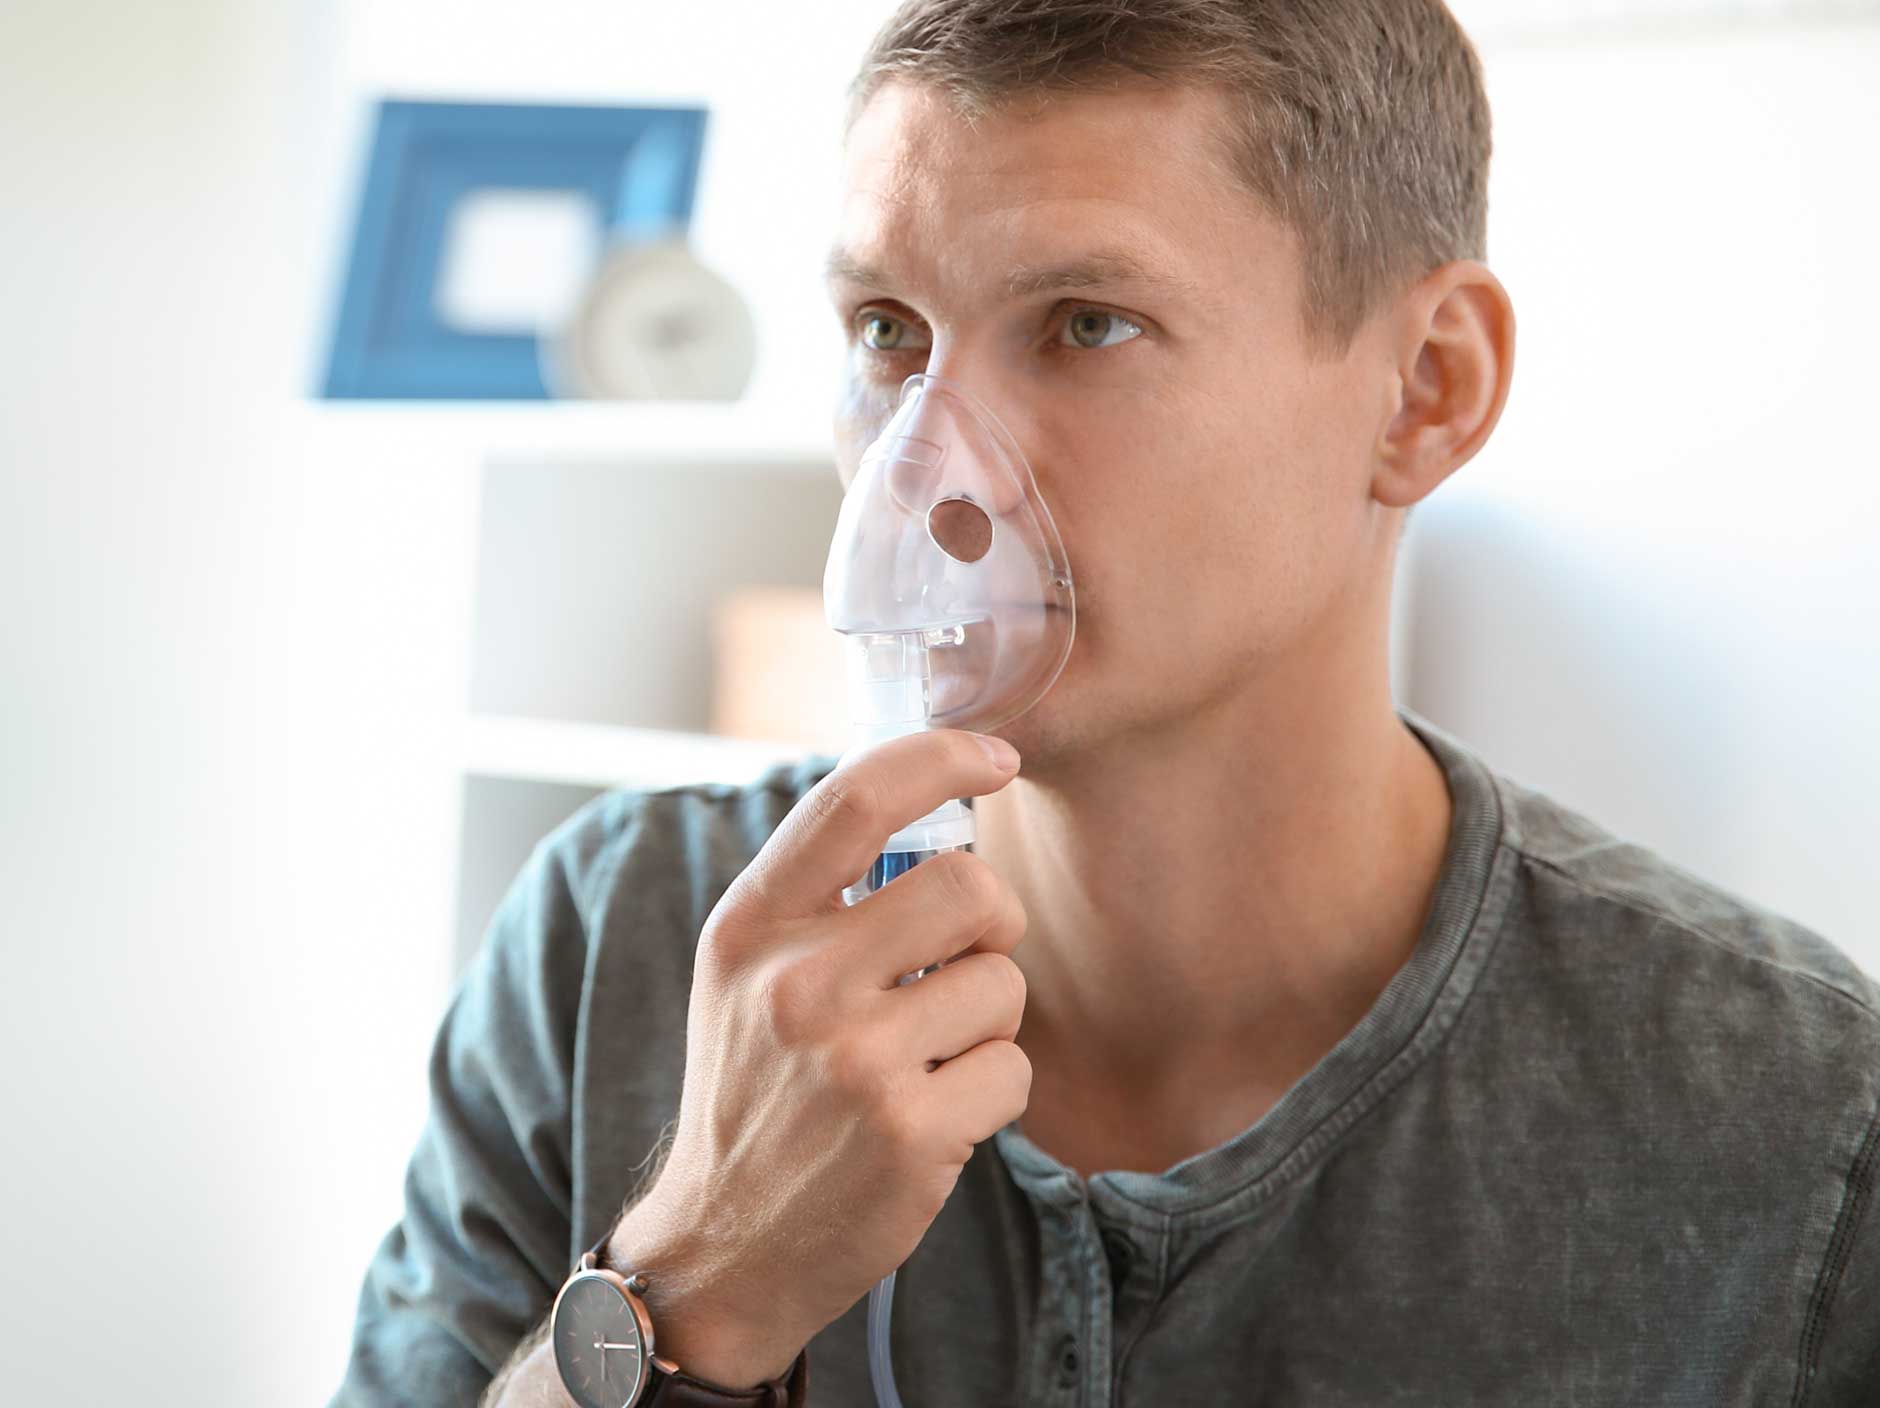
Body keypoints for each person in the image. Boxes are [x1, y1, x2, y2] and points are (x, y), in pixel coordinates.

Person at [330, 3, 1880, 1404]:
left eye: (1086, 325)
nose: (928, 479)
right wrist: (695, 1287)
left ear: (1426, 390)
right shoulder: (624, 945)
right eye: (889, 333)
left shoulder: (1789, 1131)